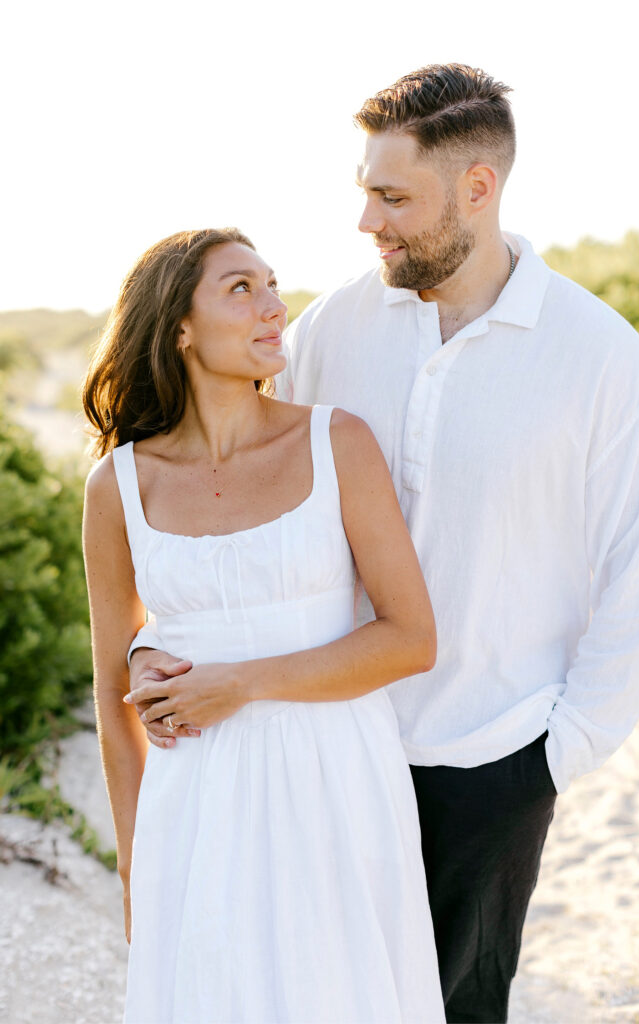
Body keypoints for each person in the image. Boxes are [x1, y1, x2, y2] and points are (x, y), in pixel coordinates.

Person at [129, 65, 639, 1024]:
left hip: (490, 755)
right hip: (325, 743)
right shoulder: (331, 327)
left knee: (459, 1009)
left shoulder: (596, 356)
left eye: (393, 197)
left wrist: (559, 749)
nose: (367, 223)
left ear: (477, 188)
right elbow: (234, 481)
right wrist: (161, 635)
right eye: (366, 193)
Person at [81, 227, 446, 1024]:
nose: (275, 308)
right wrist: (136, 869)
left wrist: (240, 683)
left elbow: (410, 638)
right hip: (194, 806)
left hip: (335, 785)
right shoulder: (117, 486)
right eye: (241, 288)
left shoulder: (335, 441)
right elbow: (114, 694)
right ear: (178, 326)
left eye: (273, 286)